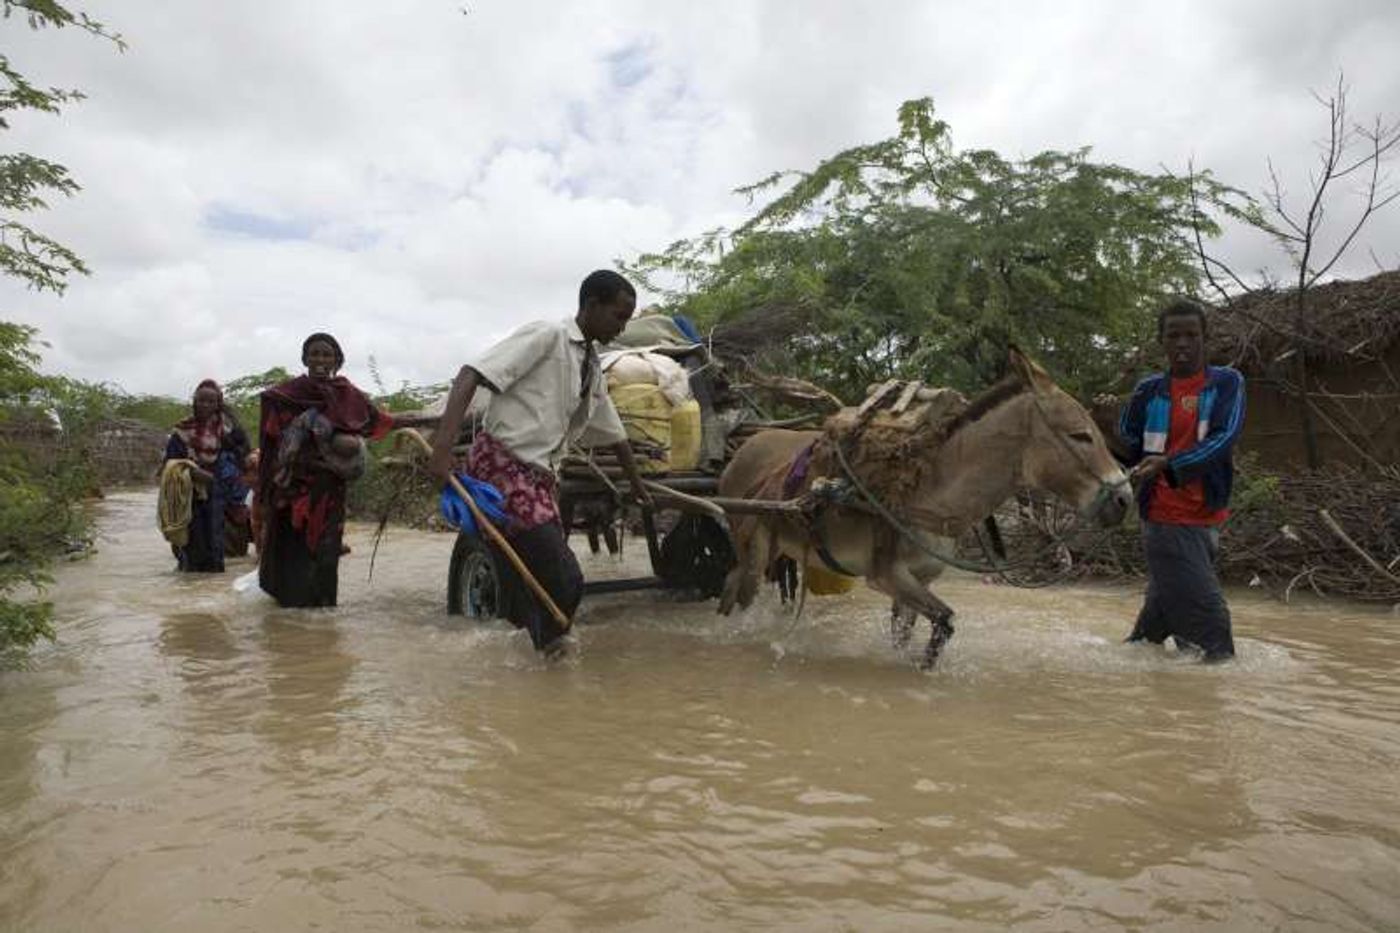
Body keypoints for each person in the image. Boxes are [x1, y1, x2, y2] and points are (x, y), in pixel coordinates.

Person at [428, 269, 654, 656]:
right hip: (503, 466)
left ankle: (525, 659)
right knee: (564, 577)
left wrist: (637, 488)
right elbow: (472, 374)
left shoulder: (591, 366)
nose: (622, 327)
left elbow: (613, 433)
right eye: (618, 316)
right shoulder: (548, 336)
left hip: (540, 478)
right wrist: (443, 449)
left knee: (531, 577)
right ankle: (551, 657)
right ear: (592, 306)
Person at [1118, 298, 1245, 661]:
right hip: (1166, 518)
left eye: (1191, 334)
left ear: (1205, 338)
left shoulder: (1227, 383)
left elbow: (1223, 438)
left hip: (1205, 515)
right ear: (1163, 341)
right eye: (1174, 335)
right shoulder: (1147, 390)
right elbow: (1128, 446)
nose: (1183, 343)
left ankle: (1126, 680)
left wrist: (1167, 464)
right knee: (1214, 635)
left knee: (1150, 637)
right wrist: (1105, 421)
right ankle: (1203, 710)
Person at [257, 333, 393, 607]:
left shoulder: (349, 396)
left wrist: (435, 420)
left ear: (337, 360)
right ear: (305, 358)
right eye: (314, 354)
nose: (320, 360)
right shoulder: (285, 395)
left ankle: (320, 615)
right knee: (292, 552)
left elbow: (377, 422)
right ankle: (290, 619)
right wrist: (266, 490)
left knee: (325, 552)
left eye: (326, 354)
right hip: (292, 489)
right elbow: (271, 443)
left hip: (329, 490)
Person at [162, 379, 250, 572]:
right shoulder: (181, 431)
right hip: (188, 495)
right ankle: (190, 586)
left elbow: (243, 457)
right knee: (190, 542)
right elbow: (170, 464)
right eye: (202, 401)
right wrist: (194, 472)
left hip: (219, 495)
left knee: (215, 543)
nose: (206, 406)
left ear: (218, 404)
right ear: (194, 402)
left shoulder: (228, 431)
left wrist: (225, 479)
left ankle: (210, 590)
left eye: (211, 402)